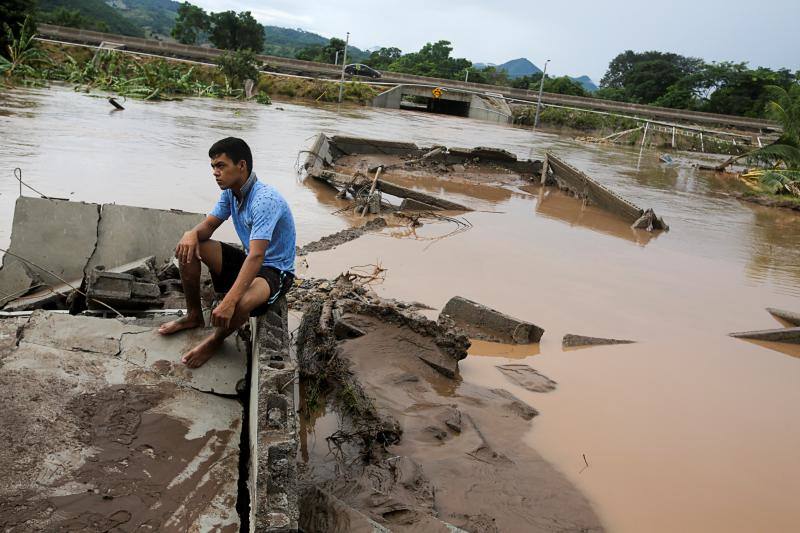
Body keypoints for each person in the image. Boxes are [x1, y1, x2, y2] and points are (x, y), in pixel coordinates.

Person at [158, 137, 296, 368]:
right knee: (191, 247)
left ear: (241, 165)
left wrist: (229, 302)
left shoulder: (264, 199)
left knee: (240, 303)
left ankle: (215, 340)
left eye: (221, 166)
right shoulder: (231, 193)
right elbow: (209, 226)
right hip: (250, 261)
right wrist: (190, 233)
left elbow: (257, 256)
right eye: (213, 166)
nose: (215, 172)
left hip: (275, 270)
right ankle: (193, 316)